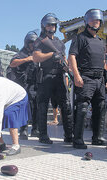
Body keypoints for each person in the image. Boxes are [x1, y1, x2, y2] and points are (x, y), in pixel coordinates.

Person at [68, 9, 107, 149]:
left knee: (101, 107)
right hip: (85, 77)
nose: (95, 22)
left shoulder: (101, 42)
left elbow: (103, 61)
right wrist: (77, 75)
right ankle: (77, 139)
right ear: (86, 22)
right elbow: (72, 56)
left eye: (97, 20)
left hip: (99, 79)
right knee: (82, 107)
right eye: (92, 20)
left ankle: (97, 137)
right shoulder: (80, 38)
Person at [33, 13, 73, 144]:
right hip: (46, 75)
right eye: (49, 25)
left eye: (53, 25)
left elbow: (64, 58)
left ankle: (68, 135)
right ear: (44, 26)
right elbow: (36, 57)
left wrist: (67, 69)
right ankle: (43, 135)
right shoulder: (40, 40)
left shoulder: (60, 43)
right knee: (43, 106)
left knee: (66, 105)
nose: (51, 27)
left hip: (59, 76)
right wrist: (51, 55)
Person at [9, 30, 39, 140]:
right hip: (24, 85)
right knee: (25, 107)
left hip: (35, 84)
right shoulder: (21, 53)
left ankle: (35, 129)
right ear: (27, 43)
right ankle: (23, 130)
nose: (33, 45)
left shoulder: (37, 53)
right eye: (32, 43)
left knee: (36, 106)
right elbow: (12, 63)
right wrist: (27, 59)